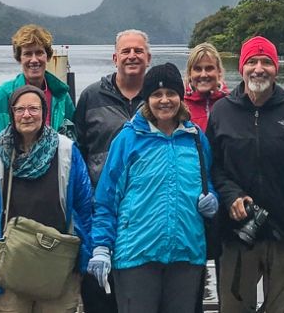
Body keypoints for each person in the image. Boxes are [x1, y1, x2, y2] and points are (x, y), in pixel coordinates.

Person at [88, 63, 218, 313]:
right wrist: (102, 246)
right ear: (147, 99)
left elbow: (206, 180)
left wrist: (212, 198)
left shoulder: (195, 138)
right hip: (136, 255)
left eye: (171, 93)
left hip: (187, 253)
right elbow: (106, 199)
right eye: (157, 94)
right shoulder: (127, 139)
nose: (165, 100)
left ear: (181, 97)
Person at [206, 36, 284, 313]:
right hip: (238, 235)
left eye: (266, 62)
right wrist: (230, 195)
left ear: (276, 68)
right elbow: (212, 168)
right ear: (241, 67)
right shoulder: (222, 111)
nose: (259, 68)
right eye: (252, 62)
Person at [0, 85, 92, 313]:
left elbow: (84, 205)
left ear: (44, 112)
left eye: (33, 108)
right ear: (11, 114)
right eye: (20, 109)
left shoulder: (67, 151)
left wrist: (82, 253)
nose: (27, 115)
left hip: (58, 265)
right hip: (11, 265)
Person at [75, 29, 151, 313]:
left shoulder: (159, 97)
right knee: (98, 295)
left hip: (144, 214)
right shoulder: (91, 96)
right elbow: (78, 152)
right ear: (115, 58)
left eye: (138, 51)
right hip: (99, 211)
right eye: (126, 51)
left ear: (148, 58)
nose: (132, 56)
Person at [0, 25, 75, 151]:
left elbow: (74, 141)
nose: (34, 60)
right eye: (28, 54)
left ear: (48, 56)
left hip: (56, 169)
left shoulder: (61, 96)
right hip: (13, 169)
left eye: (39, 53)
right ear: (19, 58)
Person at [184, 43, 228, 312]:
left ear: (219, 71)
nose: (203, 74)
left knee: (227, 266)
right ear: (189, 73)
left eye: (209, 68)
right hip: (191, 199)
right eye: (197, 69)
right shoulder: (178, 105)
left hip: (224, 195)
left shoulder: (232, 104)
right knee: (192, 276)